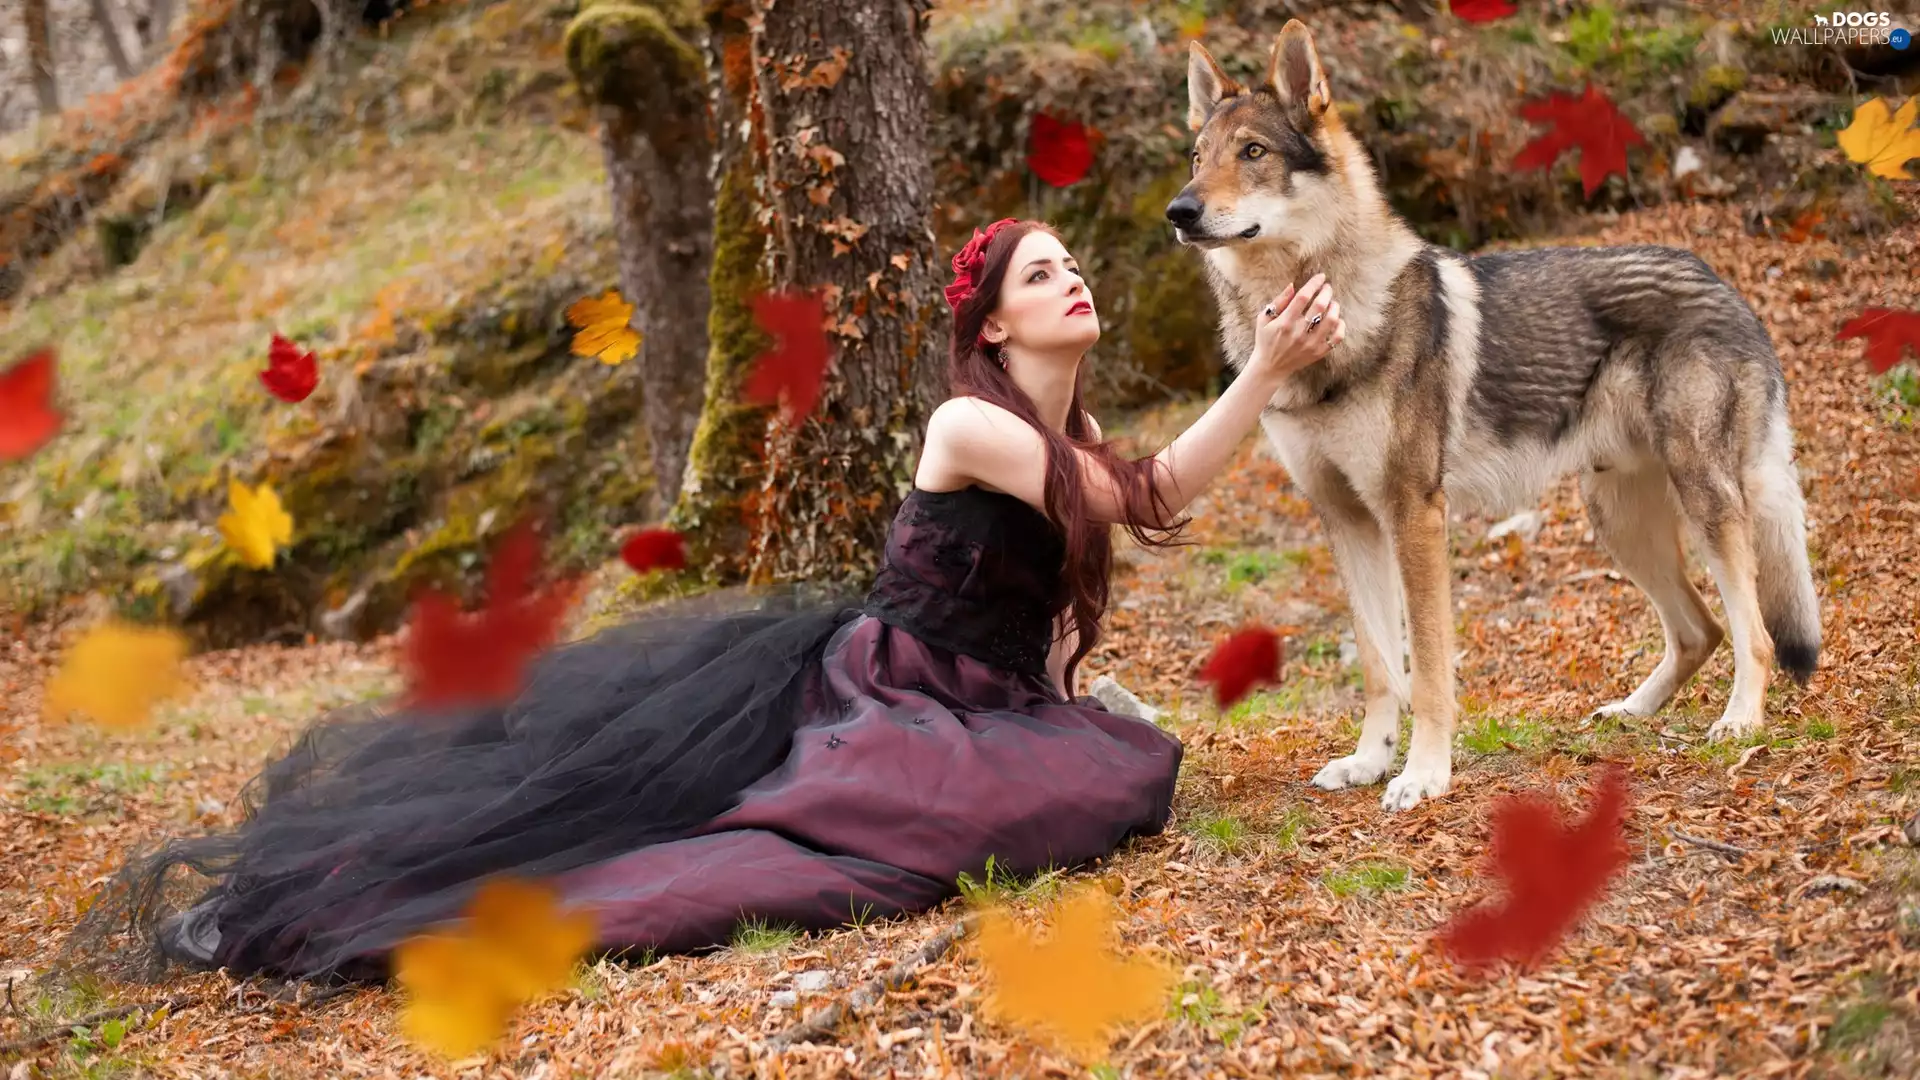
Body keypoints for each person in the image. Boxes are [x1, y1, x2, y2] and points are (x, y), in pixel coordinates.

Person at [60, 219, 1344, 986]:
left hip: (986, 698)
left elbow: (1067, 579)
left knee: (1113, 774)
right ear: (997, 331)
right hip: (890, 694)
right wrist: (1266, 370)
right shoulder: (973, 419)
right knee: (746, 855)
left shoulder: (1077, 425)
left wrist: (1063, 694)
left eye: (1071, 265)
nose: (1071, 282)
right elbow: (1152, 492)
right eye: (1039, 275)